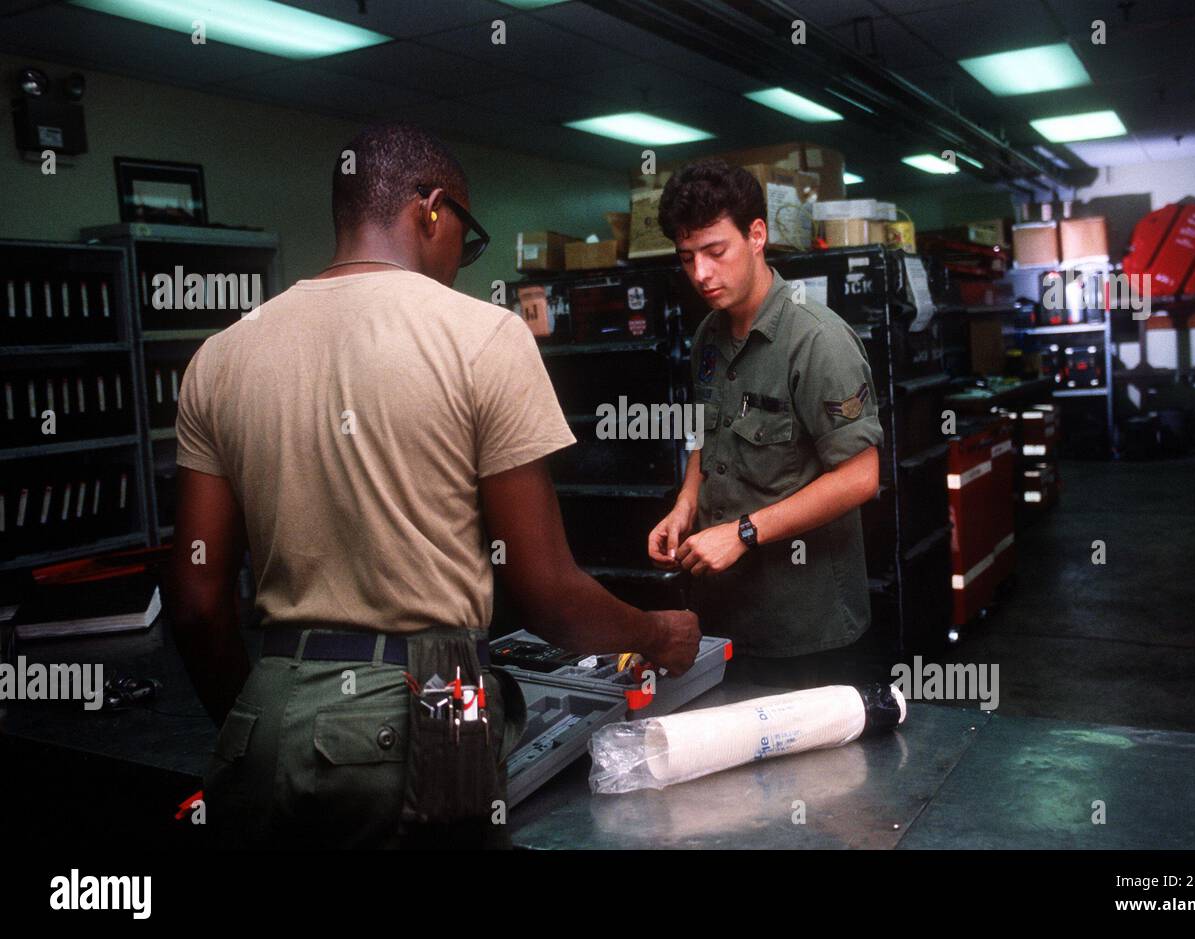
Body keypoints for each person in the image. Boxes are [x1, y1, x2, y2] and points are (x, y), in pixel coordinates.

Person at [168, 122, 699, 849]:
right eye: (466, 237)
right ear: (431, 209)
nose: (461, 260)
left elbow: (197, 602)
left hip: (269, 709)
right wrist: (656, 631)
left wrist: (267, 719)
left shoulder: (220, 356)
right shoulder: (484, 336)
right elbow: (547, 591)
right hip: (427, 709)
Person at [646, 159, 881, 686]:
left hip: (806, 626)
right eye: (687, 258)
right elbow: (706, 433)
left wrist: (744, 533)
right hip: (724, 616)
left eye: (715, 252)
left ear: (757, 235)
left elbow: (861, 477)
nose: (700, 273)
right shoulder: (709, 334)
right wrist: (685, 506)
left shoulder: (817, 340)